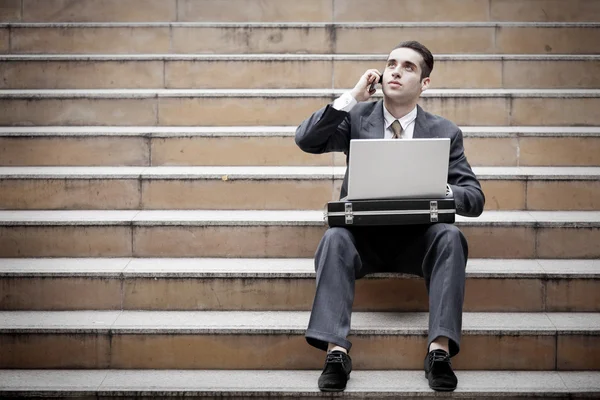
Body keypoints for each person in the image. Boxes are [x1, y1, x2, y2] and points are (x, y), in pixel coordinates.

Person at [294, 41, 485, 392]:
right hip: (362, 240)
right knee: (334, 236)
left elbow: (474, 199)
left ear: (424, 83)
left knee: (451, 235)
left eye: (408, 67)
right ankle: (336, 353)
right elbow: (307, 139)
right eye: (391, 63)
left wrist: (439, 187)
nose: (395, 70)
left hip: (418, 242)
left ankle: (439, 352)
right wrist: (352, 96)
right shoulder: (355, 119)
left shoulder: (444, 131)